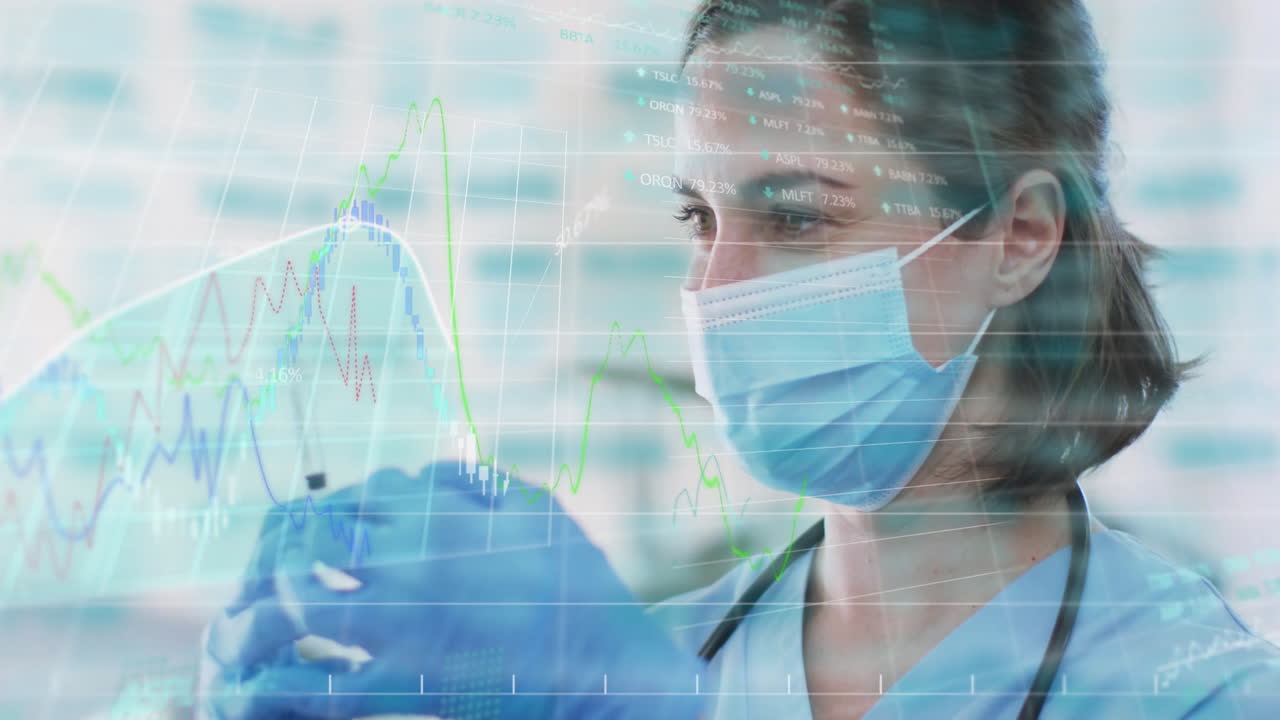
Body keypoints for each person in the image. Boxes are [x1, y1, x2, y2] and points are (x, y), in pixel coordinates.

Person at [197, 1, 1280, 718]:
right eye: (700, 216)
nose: (714, 292)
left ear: (1018, 235)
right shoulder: (664, 654)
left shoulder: (1193, 691)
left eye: (797, 217)